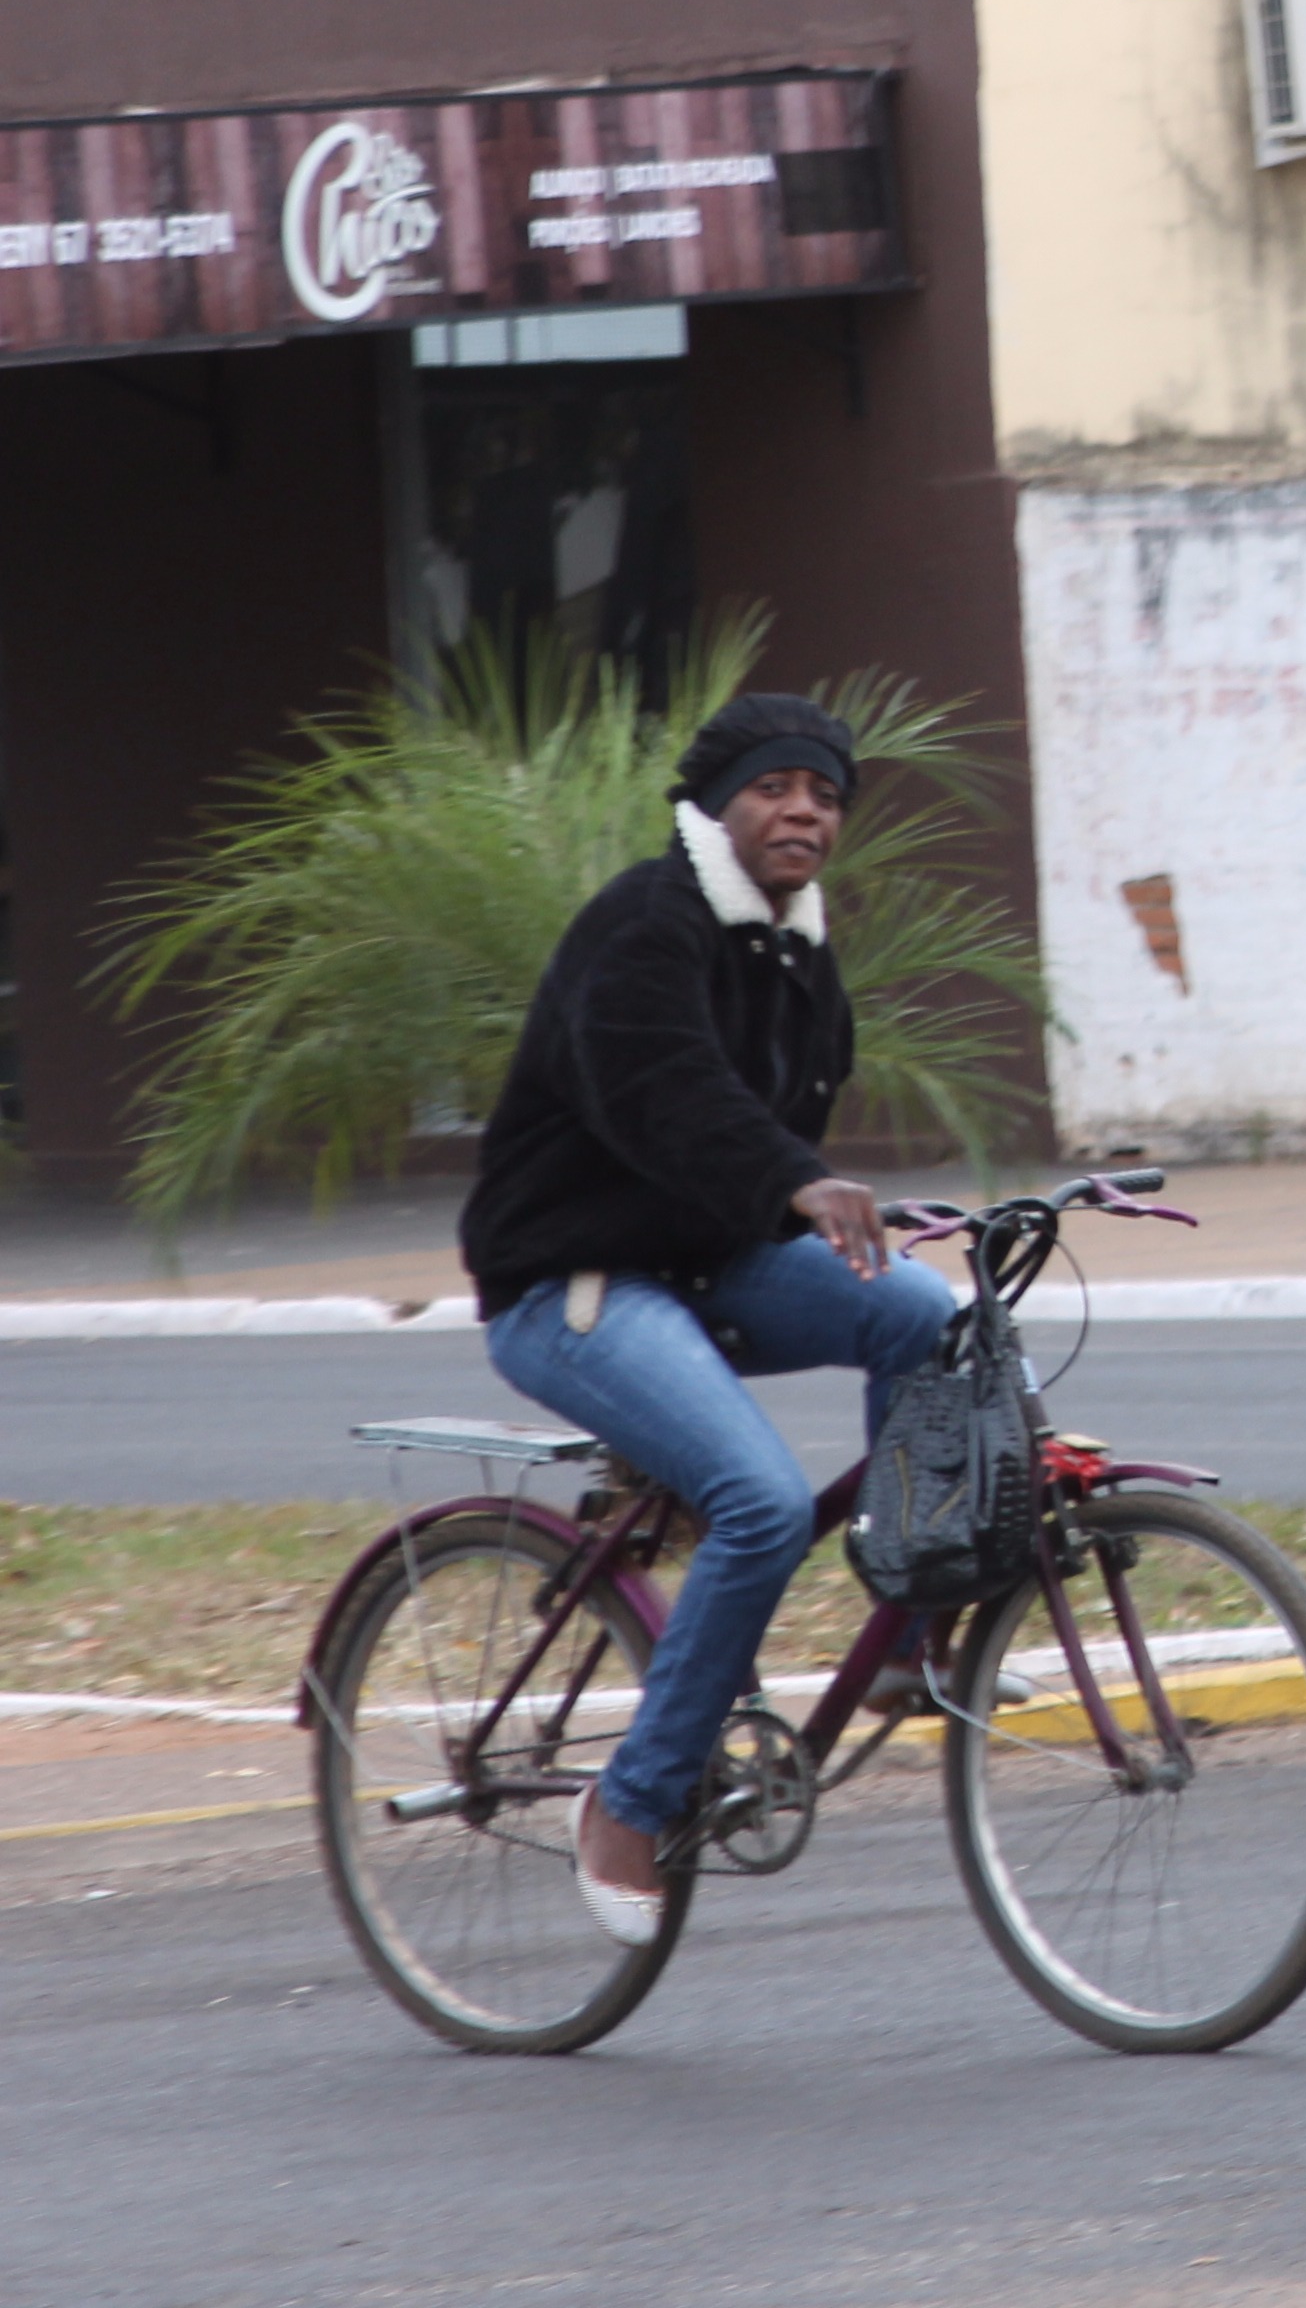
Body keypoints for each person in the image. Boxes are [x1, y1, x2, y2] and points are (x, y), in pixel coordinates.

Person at [456, 691, 960, 1945]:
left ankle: (906, 1626)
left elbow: (766, 1127)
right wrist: (795, 1180)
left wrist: (827, 1200)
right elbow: (664, 1093)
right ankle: (628, 1805)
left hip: (709, 1259)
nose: (803, 811)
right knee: (763, 1501)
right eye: (773, 788)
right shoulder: (643, 926)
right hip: (573, 1282)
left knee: (919, 1311)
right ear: (713, 806)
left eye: (826, 794)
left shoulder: (797, 946)